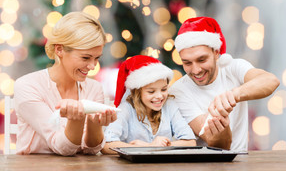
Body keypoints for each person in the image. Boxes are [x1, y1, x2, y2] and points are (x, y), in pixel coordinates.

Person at [169, 17, 280, 151]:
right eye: (187, 63)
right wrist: (222, 126)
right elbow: (218, 146)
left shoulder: (232, 67)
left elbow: (271, 81)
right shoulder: (178, 91)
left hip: (241, 162)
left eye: (202, 60)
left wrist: (233, 95)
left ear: (216, 53)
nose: (196, 70)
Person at [14, 12, 117, 156]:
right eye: (85, 57)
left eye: (96, 58)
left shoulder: (95, 88)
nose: (93, 66)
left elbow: (91, 150)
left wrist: (95, 124)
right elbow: (63, 148)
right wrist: (77, 119)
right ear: (59, 49)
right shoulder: (28, 86)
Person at [101, 55, 196, 154]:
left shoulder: (169, 105)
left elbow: (190, 142)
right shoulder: (126, 108)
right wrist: (149, 146)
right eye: (151, 91)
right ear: (137, 92)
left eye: (164, 89)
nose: (159, 96)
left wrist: (156, 147)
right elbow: (107, 145)